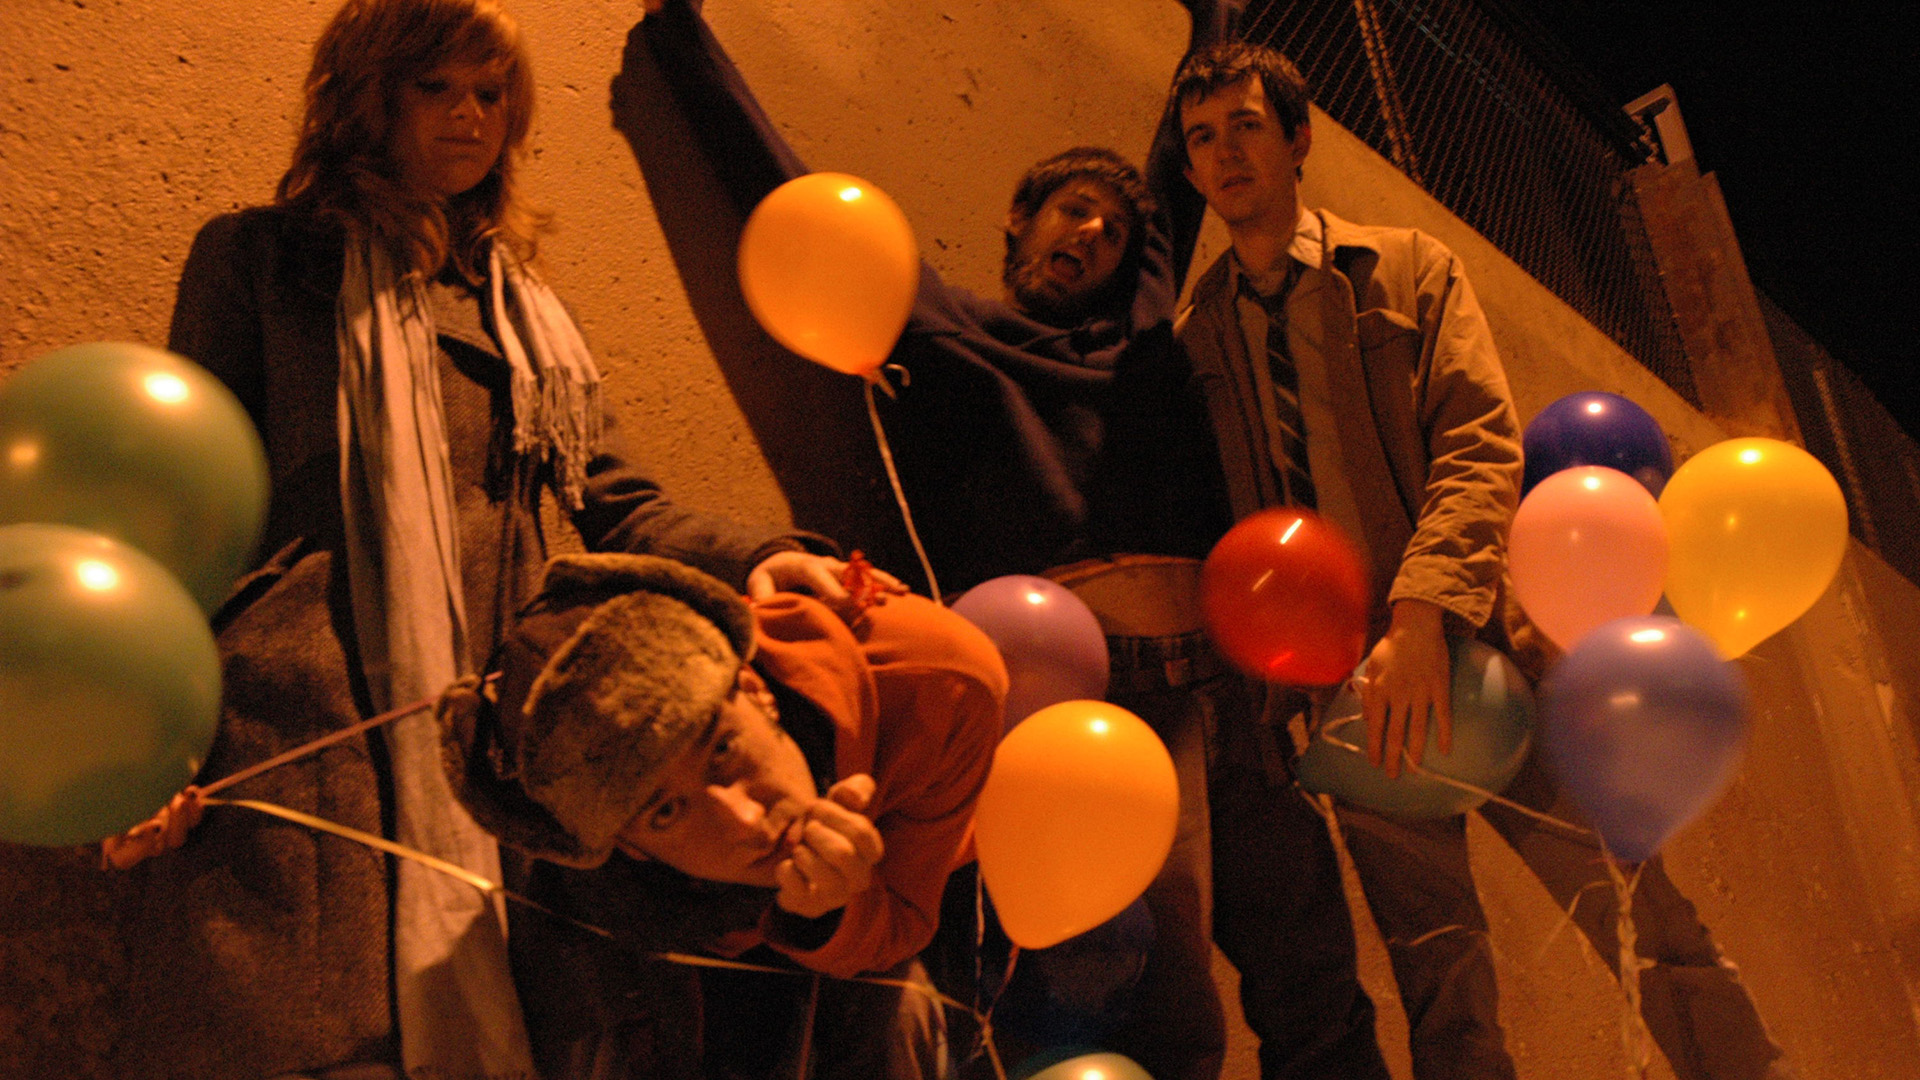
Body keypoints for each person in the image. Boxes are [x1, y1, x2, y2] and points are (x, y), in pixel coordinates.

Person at [109, 2, 865, 1078]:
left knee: (528, 1021)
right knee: (304, 1035)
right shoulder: (263, 262)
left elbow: (619, 504)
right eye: (436, 88)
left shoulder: (522, 310)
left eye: (490, 92)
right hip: (299, 720)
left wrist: (758, 558)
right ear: (366, 95)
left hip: (495, 731)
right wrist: (155, 738)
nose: (469, 116)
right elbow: (186, 512)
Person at [632, 4, 1375, 1079]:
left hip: (1227, 684)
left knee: (1316, 985)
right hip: (1081, 707)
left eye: (1114, 232)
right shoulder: (944, 331)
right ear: (1019, 222)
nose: (1093, 236)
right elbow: (777, 187)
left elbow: (1168, 185)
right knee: (1162, 1014)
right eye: (1072, 213)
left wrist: (1212, 17)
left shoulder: (1138, 330)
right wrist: (680, 36)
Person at [1171, 38, 1794, 1080]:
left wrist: (1423, 616)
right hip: (1350, 696)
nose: (1226, 153)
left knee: (1644, 921)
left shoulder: (1409, 267)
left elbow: (1479, 445)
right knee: (1441, 980)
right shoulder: (1198, 335)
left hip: (1484, 650)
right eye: (1201, 138)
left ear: (1300, 138)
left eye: (1246, 126)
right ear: (1189, 169)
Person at [436, 551, 1007, 1079]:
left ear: (754, 689)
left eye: (723, 749)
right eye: (666, 811)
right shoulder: (601, 877)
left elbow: (905, 915)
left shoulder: (940, 682)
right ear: (630, 847)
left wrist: (825, 915)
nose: (745, 820)